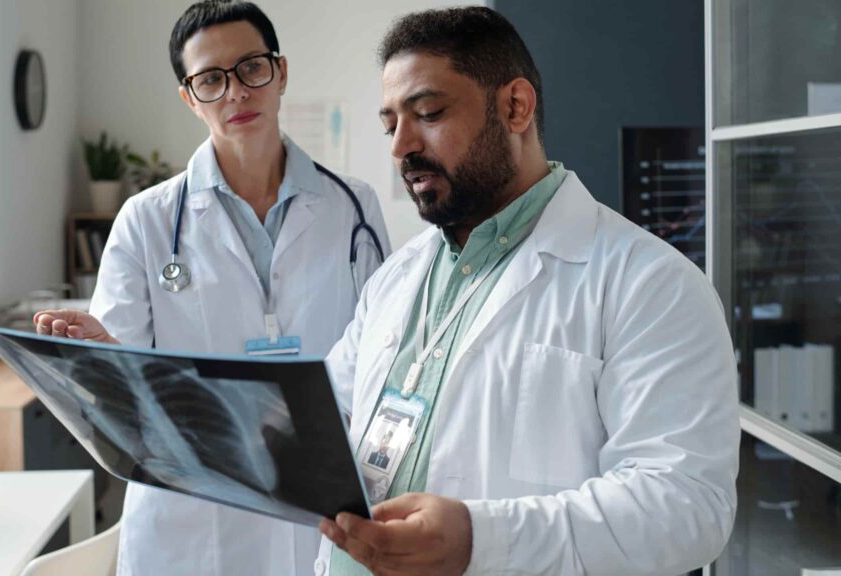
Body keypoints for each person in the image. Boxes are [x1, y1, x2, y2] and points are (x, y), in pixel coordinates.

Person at [316, 7, 739, 576]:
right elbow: (332, 414)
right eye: (391, 123)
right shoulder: (397, 277)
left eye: (429, 113)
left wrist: (481, 540)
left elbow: (687, 506)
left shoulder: (650, 283)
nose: (401, 147)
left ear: (515, 106)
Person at [33, 1, 390, 574]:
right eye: (210, 79)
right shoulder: (146, 220)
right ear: (189, 97)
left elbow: (383, 352)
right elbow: (127, 393)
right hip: (192, 515)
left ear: (280, 72)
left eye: (251, 68)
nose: (235, 93)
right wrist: (105, 352)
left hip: (321, 500)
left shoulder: (354, 207)